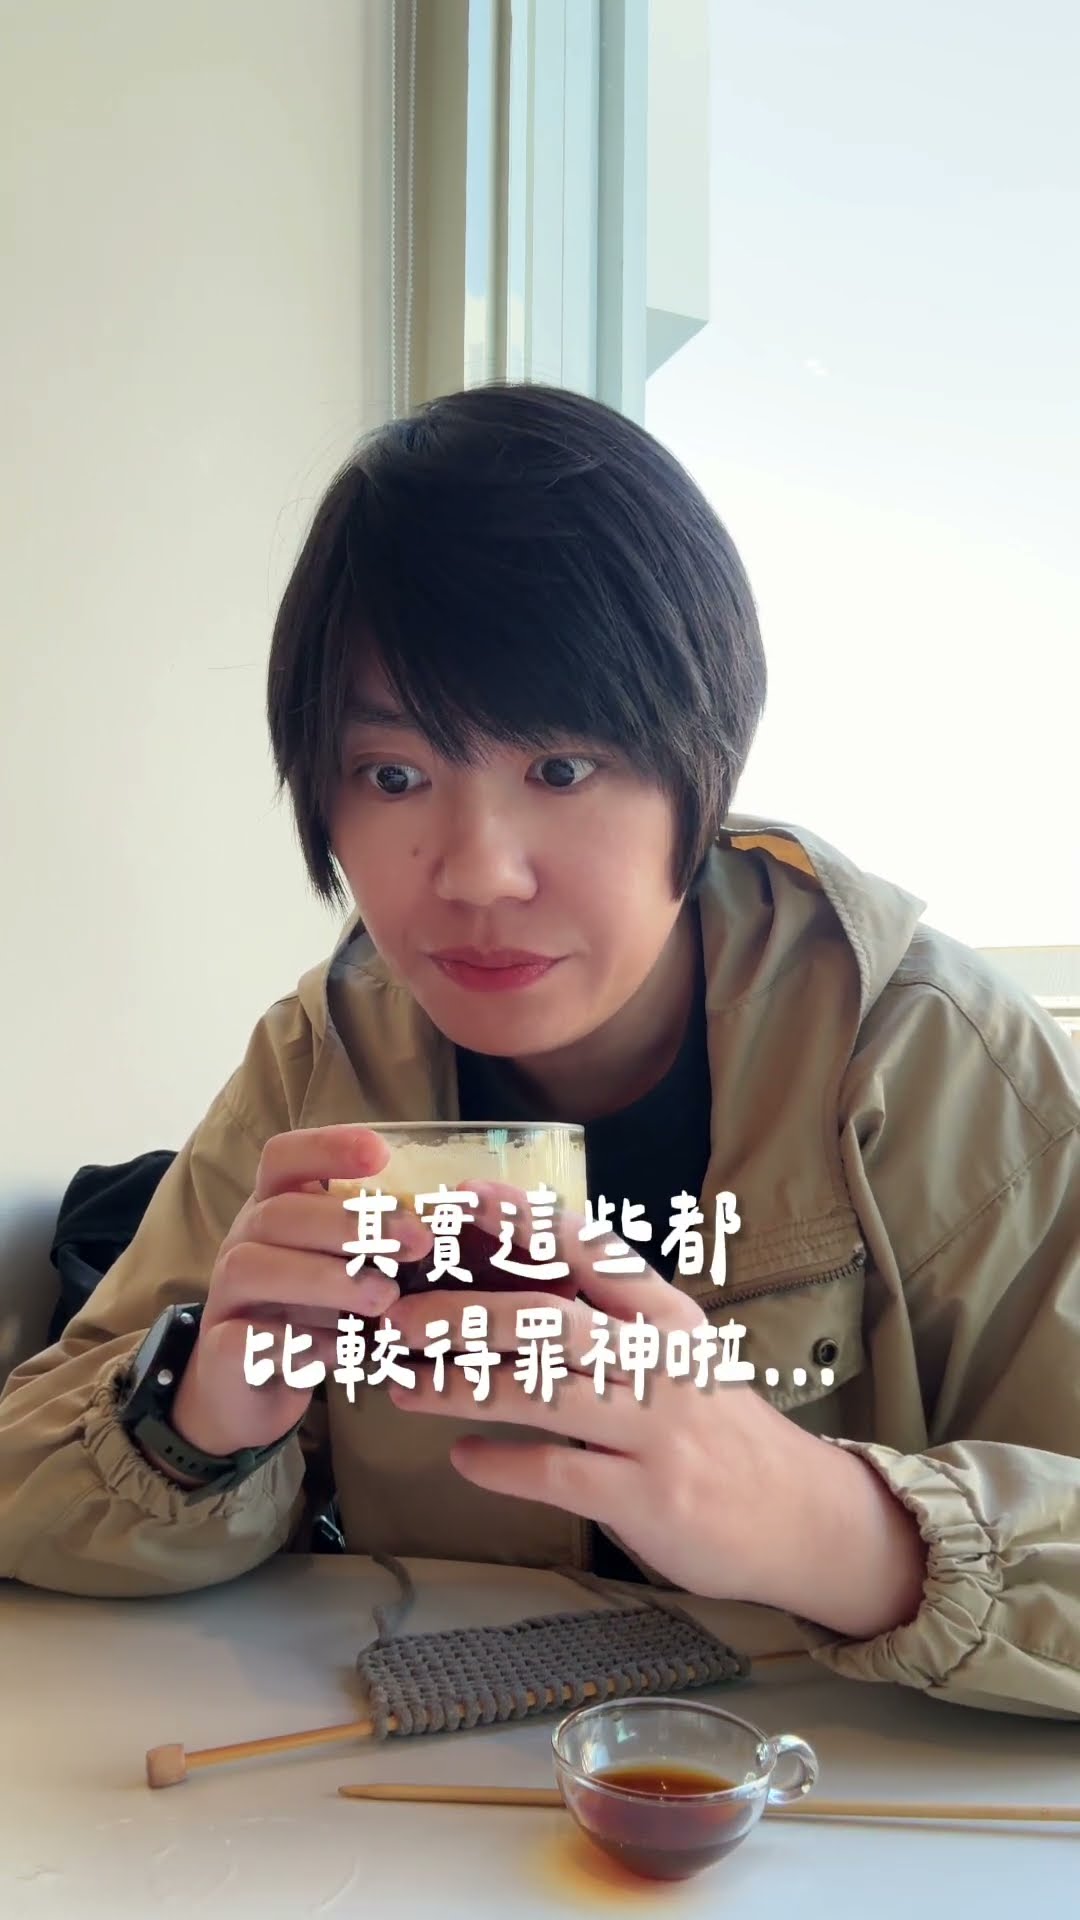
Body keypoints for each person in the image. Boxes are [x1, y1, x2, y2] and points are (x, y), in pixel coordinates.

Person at [1, 383, 1077, 1721]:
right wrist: (194, 1422)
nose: (476, 873)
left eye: (561, 769)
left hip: (838, 1803)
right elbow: (26, 1484)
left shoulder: (926, 1051)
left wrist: (841, 1531)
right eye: (394, 776)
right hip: (438, 1790)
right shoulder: (326, 1057)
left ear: (702, 768)